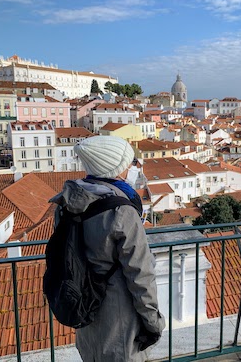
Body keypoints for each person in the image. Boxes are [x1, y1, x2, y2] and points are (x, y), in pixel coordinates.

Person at [50, 135, 165, 362]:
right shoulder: (122, 212)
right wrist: (153, 323)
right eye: (128, 164)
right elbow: (141, 275)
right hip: (120, 321)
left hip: (84, 311)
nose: (130, 169)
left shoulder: (65, 205)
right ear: (116, 168)